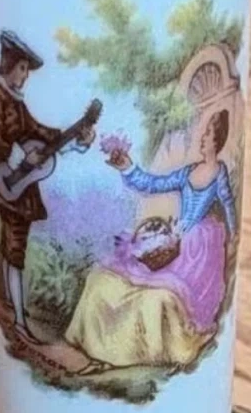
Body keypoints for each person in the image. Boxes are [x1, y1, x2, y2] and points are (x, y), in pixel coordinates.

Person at [65, 109, 237, 369]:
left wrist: (233, 236)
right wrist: (128, 167)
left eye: (208, 134)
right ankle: (104, 344)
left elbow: (228, 203)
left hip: (197, 249)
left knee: (161, 294)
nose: (202, 138)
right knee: (111, 277)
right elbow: (153, 184)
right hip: (178, 239)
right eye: (204, 133)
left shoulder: (219, 172)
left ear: (218, 140)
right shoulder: (189, 172)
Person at [0, 29, 94, 344]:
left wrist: (75, 136)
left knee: (15, 246)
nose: (25, 76)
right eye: (22, 68)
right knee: (14, 247)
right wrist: (22, 156)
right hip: (7, 179)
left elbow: (37, 131)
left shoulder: (15, 101)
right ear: (9, 64)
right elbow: (0, 138)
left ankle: (15, 313)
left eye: (27, 70)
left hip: (21, 183)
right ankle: (18, 321)